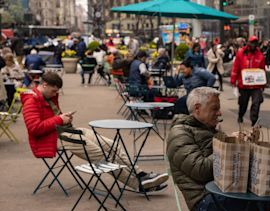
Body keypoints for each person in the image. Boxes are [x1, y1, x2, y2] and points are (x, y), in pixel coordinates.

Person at [21, 72, 169, 193]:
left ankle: (141, 174)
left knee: (112, 145)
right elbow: (35, 129)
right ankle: (138, 184)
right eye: (54, 90)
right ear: (44, 85)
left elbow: (51, 119)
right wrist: (60, 119)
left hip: (65, 132)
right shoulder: (31, 102)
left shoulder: (47, 97)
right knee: (102, 154)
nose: (55, 94)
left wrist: (63, 118)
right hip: (52, 139)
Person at [231, 36, 265, 126]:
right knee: (243, 103)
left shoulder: (260, 55)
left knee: (256, 103)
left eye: (255, 43)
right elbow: (236, 67)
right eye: (252, 42)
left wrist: (263, 84)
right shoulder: (241, 53)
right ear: (248, 43)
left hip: (256, 85)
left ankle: (254, 120)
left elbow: (262, 70)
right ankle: (240, 115)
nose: (253, 44)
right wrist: (233, 81)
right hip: (243, 84)